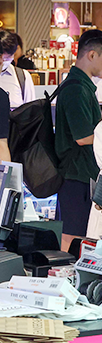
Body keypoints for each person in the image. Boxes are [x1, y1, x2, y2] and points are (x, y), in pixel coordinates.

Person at [55, 29, 102, 237]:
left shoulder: (81, 86)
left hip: (80, 174)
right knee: (72, 237)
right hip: (76, 176)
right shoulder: (76, 89)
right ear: (92, 55)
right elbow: (83, 137)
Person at [0, 30, 36, 109]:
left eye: (7, 58)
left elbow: (30, 110)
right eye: (0, 57)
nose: (2, 61)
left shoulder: (23, 77)